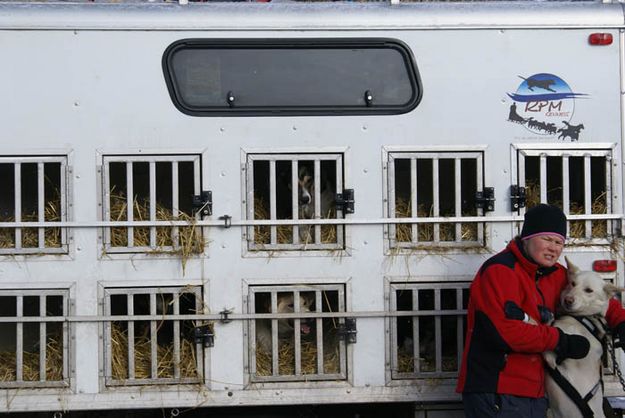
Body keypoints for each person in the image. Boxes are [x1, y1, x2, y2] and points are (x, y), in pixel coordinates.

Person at [456, 204, 625, 418]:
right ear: (526, 237)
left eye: (559, 242)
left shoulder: (555, 274)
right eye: (546, 239)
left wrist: (620, 321)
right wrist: (560, 341)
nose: (553, 248)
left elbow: (593, 295)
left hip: (534, 393)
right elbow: (505, 332)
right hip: (497, 392)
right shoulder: (500, 271)